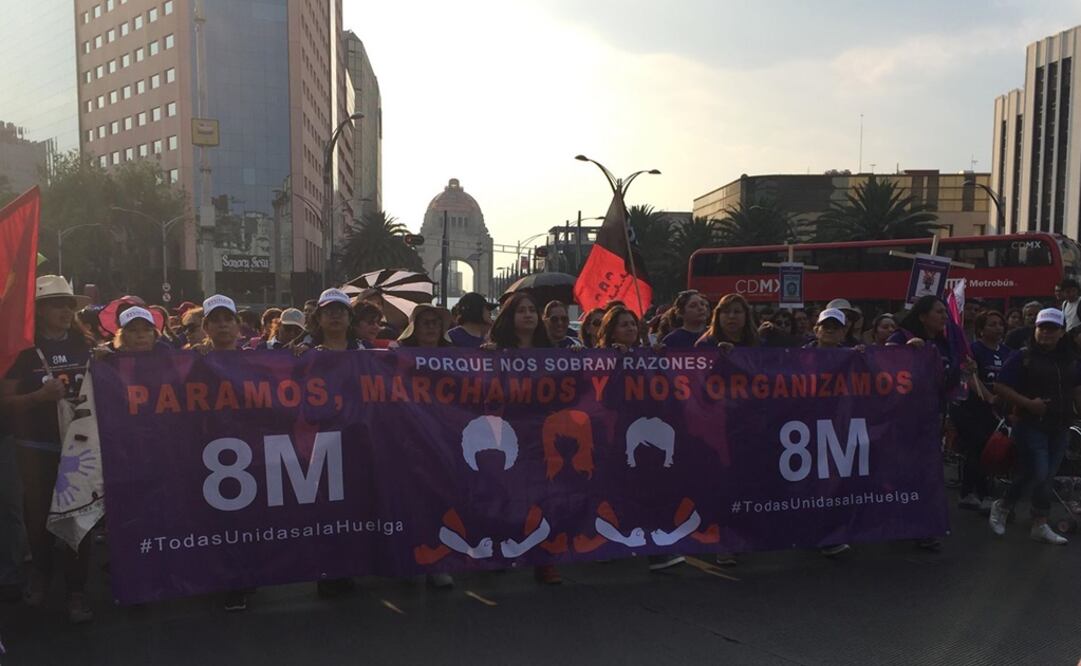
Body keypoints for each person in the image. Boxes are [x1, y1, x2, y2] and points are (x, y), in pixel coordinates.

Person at [0, 276, 94, 623]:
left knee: (78, 518)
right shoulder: (21, 350)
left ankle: (77, 590)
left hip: (80, 446)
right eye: (58, 304)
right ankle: (41, 574)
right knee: (37, 519)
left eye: (70, 304)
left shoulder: (86, 344)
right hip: (34, 447)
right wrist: (39, 397)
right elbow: (5, 402)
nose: (66, 311)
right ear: (39, 311)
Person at [596, 305, 686, 571]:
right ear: (611, 331)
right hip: (623, 433)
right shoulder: (603, 357)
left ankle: (656, 549)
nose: (630, 329)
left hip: (654, 433)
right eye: (623, 324)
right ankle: (613, 542)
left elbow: (672, 391)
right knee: (621, 491)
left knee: (653, 489)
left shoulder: (650, 355)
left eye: (633, 324)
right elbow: (608, 399)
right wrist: (620, 363)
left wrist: (661, 363)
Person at [483, 292, 560, 584]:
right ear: (509, 317)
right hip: (506, 431)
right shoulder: (494, 351)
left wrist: (577, 358)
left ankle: (545, 559)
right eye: (521, 311)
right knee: (504, 493)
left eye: (532, 310)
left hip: (541, 431)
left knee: (544, 495)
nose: (527, 315)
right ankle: (500, 550)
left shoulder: (551, 351)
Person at [989, 308, 1081, 545]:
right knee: (1041, 474)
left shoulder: (1070, 359)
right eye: (1043, 328)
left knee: (1041, 475)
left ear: (1062, 332)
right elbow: (1000, 386)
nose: (1047, 334)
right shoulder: (1022, 356)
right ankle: (1032, 518)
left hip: (1060, 425)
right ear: (1036, 329)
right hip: (1031, 424)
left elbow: (1076, 388)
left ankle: (1015, 510)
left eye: (1053, 329)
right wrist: (1029, 403)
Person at [802, 308, 856, 557]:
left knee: (833, 481)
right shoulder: (798, 357)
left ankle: (828, 534)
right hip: (803, 428)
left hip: (838, 427)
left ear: (845, 332)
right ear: (817, 329)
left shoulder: (854, 357)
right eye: (826, 325)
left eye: (836, 326)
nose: (831, 329)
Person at [955, 310, 1010, 513]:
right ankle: (982, 494)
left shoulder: (1007, 352)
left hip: (995, 411)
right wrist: (989, 396)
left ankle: (969, 492)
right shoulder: (973, 350)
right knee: (979, 447)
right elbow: (970, 376)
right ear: (980, 330)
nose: (998, 328)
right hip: (970, 408)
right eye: (992, 324)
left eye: (1000, 324)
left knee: (990, 450)